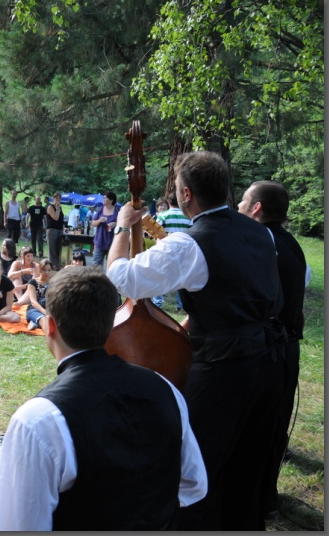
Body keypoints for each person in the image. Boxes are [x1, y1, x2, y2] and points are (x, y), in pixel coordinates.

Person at [106, 151, 285, 530]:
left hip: (224, 367)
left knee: (199, 466)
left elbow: (123, 279)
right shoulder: (261, 232)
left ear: (186, 194)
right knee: (248, 462)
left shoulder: (190, 244)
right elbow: (238, 292)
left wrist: (122, 227)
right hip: (270, 362)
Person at [0, 267, 207, 530]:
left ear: (50, 326)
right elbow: (194, 484)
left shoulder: (39, 420)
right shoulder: (165, 388)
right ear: (110, 323)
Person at [238, 180, 308, 516]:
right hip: (286, 347)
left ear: (257, 208)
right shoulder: (292, 243)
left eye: (243, 201)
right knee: (273, 428)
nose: (238, 206)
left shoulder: (259, 241)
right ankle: (264, 499)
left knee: (254, 428)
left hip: (267, 349)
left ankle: (250, 502)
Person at [151, 192, 191, 310]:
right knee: (182, 277)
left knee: (160, 275)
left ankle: (157, 302)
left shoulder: (163, 215)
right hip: (183, 250)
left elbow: (155, 232)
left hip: (165, 249)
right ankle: (181, 304)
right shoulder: (187, 216)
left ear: (168, 202)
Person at [23, 258, 55, 331]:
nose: (47, 272)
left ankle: (35, 323)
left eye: (49, 270)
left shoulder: (53, 282)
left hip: (48, 309)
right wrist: (45, 312)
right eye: (44, 270)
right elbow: (33, 302)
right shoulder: (33, 282)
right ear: (40, 270)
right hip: (34, 309)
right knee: (45, 321)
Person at [91, 191, 120, 268]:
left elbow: (123, 223)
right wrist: (99, 221)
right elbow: (93, 223)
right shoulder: (100, 209)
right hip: (100, 241)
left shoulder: (117, 210)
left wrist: (115, 223)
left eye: (105, 198)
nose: (103, 199)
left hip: (113, 242)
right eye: (103, 198)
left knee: (112, 266)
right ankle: (96, 276)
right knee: (95, 265)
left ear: (111, 200)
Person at [45, 192, 64, 270]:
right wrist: (57, 208)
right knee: (52, 249)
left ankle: (57, 264)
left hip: (59, 230)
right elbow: (55, 218)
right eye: (56, 198)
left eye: (59, 198)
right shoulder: (50, 207)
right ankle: (53, 265)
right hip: (52, 230)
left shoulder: (60, 208)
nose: (58, 200)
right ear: (53, 199)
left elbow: (61, 219)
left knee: (58, 248)